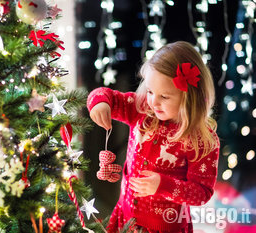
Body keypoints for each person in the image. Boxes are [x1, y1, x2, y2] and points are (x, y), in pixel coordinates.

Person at [87, 41, 220, 233]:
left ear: (189, 97)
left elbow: (202, 193)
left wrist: (162, 185)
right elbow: (104, 95)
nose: (154, 102)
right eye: (150, 91)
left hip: (165, 227)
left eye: (164, 97)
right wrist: (100, 104)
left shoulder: (201, 140)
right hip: (125, 218)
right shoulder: (142, 109)